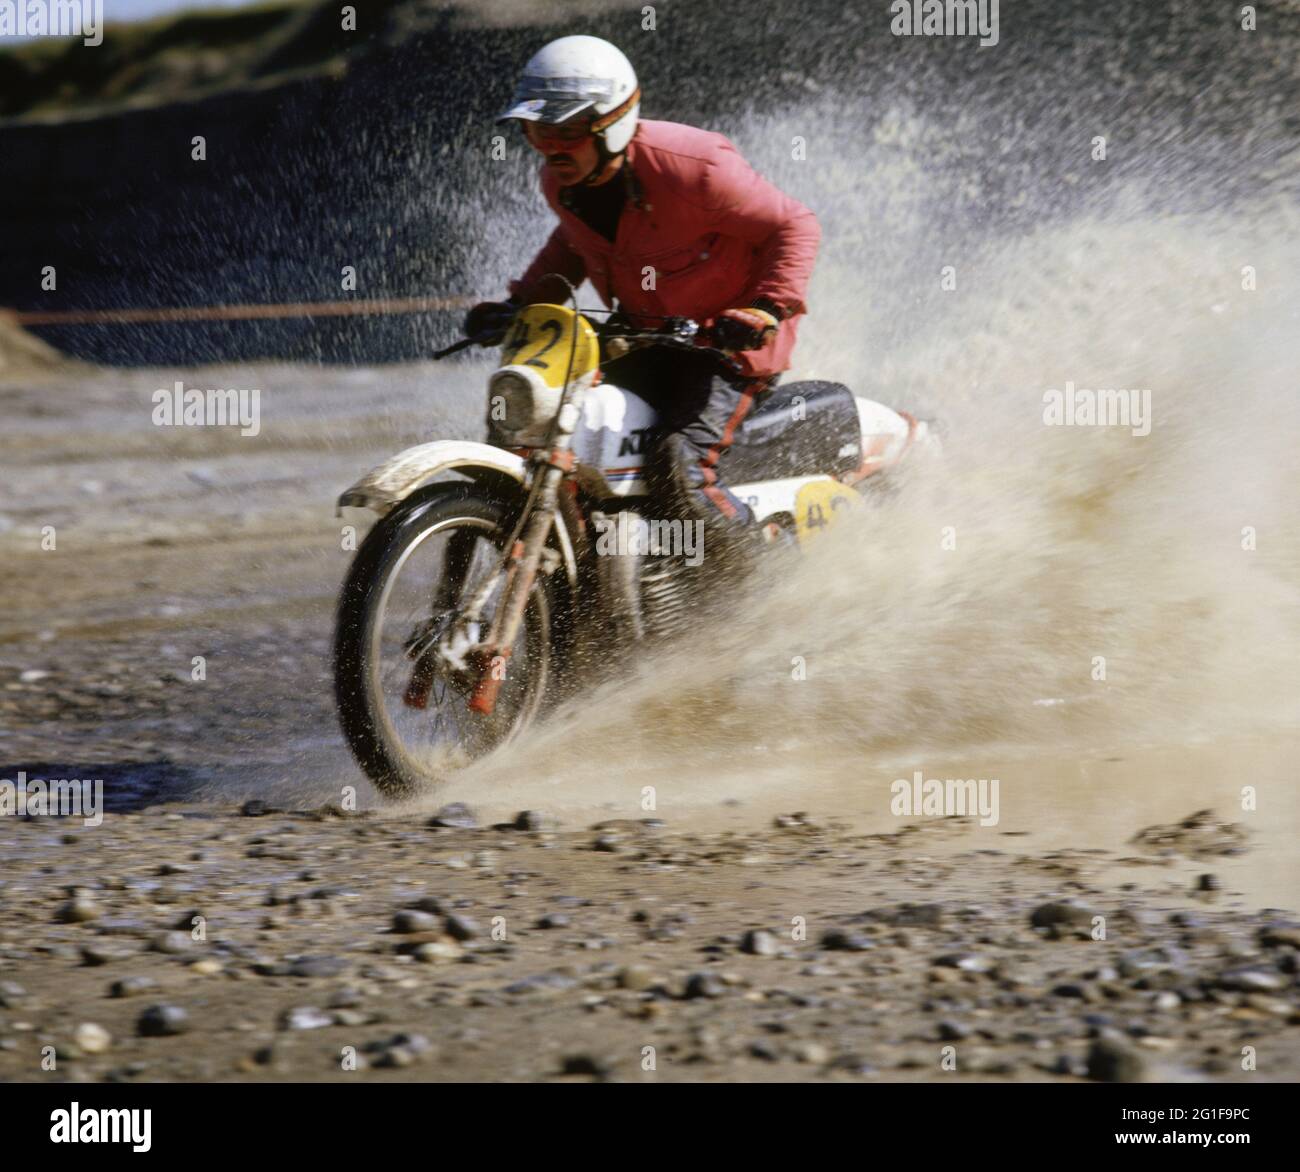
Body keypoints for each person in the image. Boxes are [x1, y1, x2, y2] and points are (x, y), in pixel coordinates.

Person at [465, 34, 820, 573]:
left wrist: (768, 309)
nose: (551, 148)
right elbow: (572, 248)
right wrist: (519, 305)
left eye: (566, 131)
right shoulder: (563, 181)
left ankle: (765, 563)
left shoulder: (695, 169)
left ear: (613, 123)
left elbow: (793, 225)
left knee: (677, 464)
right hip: (646, 340)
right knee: (557, 429)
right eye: (538, 132)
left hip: (728, 349)